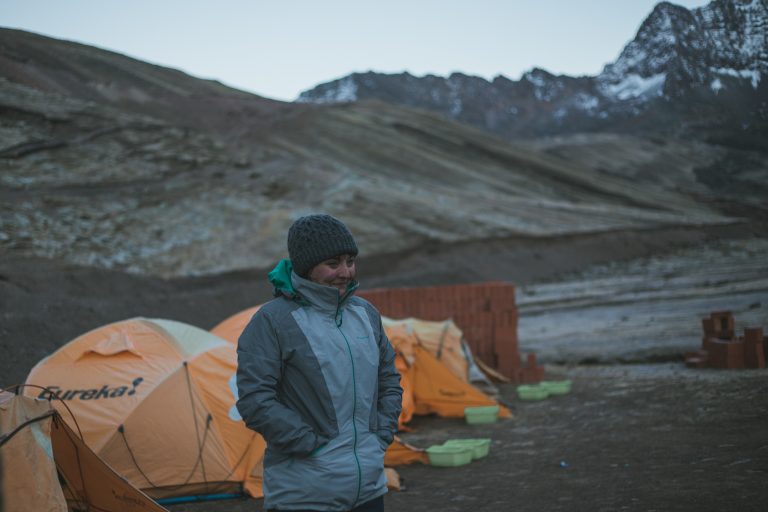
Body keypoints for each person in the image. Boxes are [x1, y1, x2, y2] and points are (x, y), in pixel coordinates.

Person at [236, 213, 403, 512]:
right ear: (306, 266)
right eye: (333, 263)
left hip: (368, 489)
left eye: (350, 261)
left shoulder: (365, 314)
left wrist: (381, 434)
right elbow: (255, 399)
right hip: (305, 492)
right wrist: (310, 445)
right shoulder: (273, 321)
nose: (346, 272)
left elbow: (388, 378)